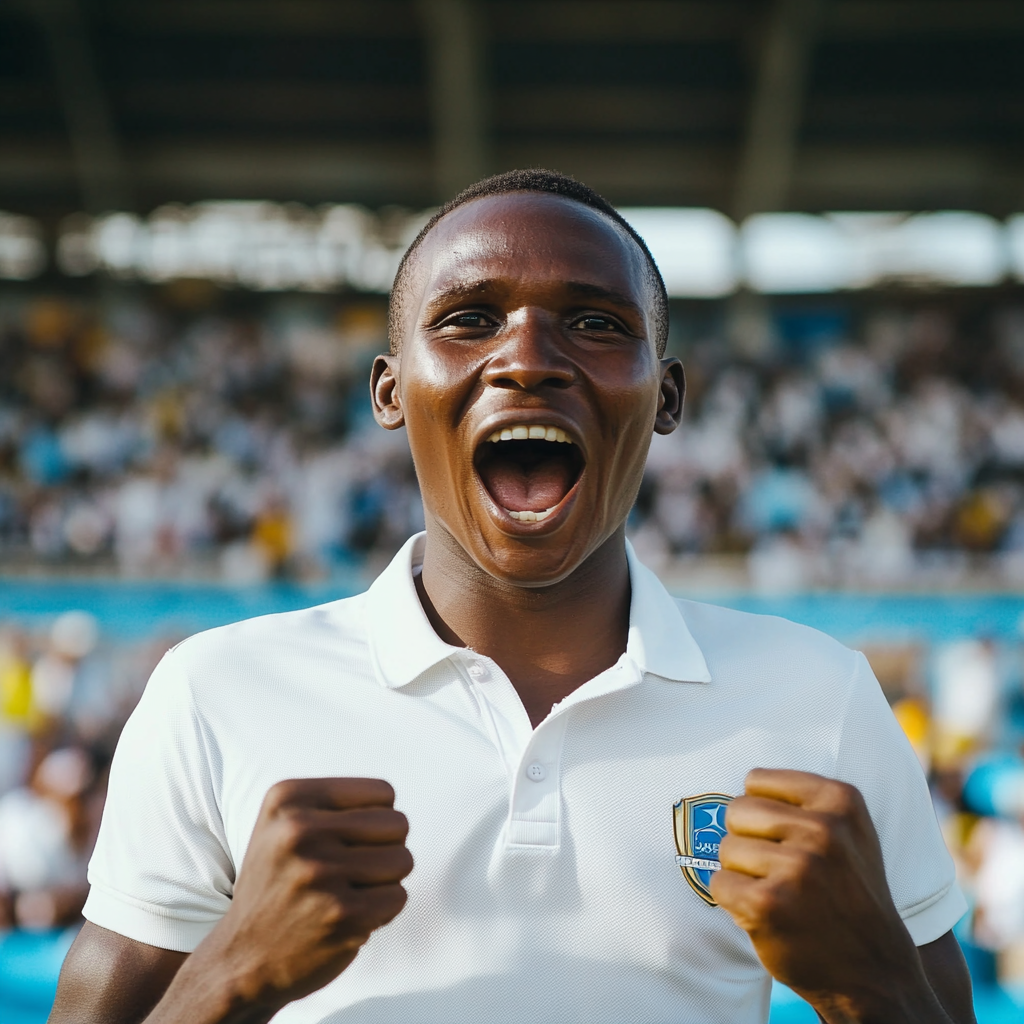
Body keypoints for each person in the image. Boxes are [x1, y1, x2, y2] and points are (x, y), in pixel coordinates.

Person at [49, 170, 975, 1024]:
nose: (528, 358)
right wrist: (230, 972)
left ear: (666, 396)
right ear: (390, 391)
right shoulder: (217, 689)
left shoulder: (820, 699)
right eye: (468, 319)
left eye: (597, 323)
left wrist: (874, 984)